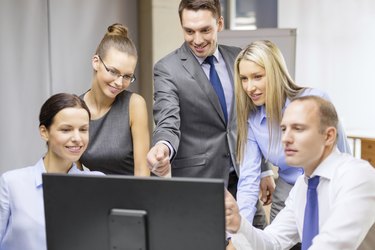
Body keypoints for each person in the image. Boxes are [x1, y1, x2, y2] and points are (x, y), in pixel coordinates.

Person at [226, 96, 375, 250]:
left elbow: (333, 245)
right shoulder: (303, 186)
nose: (285, 138)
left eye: (298, 129)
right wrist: (239, 224)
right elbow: (273, 241)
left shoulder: (357, 176)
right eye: (284, 129)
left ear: (328, 136)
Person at [234, 40, 351, 227]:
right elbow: (248, 180)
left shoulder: (316, 100)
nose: (249, 87)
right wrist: (239, 234)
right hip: (287, 192)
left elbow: (344, 156)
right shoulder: (252, 119)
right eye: (244, 79)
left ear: (274, 73)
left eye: (257, 76)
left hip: (326, 190)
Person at [0, 93, 104, 250]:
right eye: (66, 130)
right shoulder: (11, 183)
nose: (77, 138)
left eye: (83, 129)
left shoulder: (97, 183)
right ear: (44, 132)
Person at [79, 23, 150, 176]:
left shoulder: (134, 105)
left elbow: (142, 172)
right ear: (96, 62)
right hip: (96, 196)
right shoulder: (75, 109)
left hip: (135, 195)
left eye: (127, 76)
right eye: (113, 71)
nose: (119, 83)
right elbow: (74, 175)